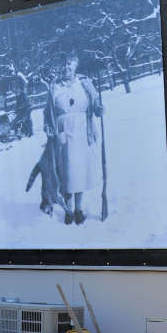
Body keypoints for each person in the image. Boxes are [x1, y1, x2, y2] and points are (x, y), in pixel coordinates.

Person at [44, 52, 102, 224]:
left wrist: (99, 108)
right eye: (63, 64)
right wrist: (48, 127)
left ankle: (78, 209)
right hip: (63, 134)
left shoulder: (84, 83)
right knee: (66, 173)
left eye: (70, 64)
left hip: (83, 132)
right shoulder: (54, 87)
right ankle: (69, 210)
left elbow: (95, 101)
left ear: (76, 65)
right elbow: (47, 112)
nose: (66, 67)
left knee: (79, 172)